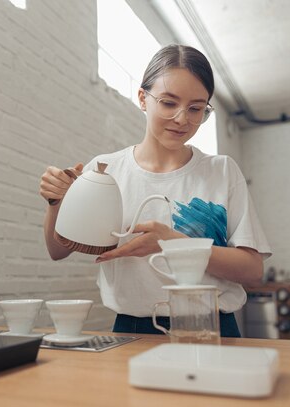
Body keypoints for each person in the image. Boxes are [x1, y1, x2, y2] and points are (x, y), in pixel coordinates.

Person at [39, 44, 271, 337]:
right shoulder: (105, 170)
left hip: (214, 327)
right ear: (143, 98)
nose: (182, 119)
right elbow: (58, 250)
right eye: (169, 103)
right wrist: (55, 202)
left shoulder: (222, 171)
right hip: (132, 329)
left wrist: (172, 243)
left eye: (196, 108)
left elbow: (252, 271)